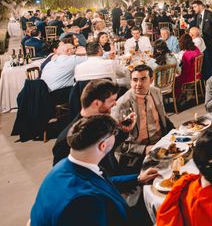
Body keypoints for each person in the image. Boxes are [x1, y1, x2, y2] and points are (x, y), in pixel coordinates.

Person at [31, 115, 159, 226]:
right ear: (102, 146)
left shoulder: (65, 165)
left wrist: (138, 179)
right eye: (114, 134)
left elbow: (103, 181)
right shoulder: (83, 201)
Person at [52, 80, 135, 175]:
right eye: (112, 100)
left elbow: (107, 148)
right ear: (96, 103)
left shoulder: (101, 121)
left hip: (114, 172)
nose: (115, 104)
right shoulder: (65, 141)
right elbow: (65, 177)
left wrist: (124, 131)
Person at [111, 65, 175, 169]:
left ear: (151, 80)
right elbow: (117, 145)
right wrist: (144, 149)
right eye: (135, 80)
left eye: (143, 79)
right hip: (136, 156)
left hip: (161, 144)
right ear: (130, 81)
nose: (138, 84)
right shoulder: (121, 105)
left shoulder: (156, 92)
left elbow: (163, 118)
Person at [174, 33, 202, 100]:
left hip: (190, 76)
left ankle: (177, 97)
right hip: (197, 74)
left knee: (174, 79)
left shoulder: (186, 54)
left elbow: (185, 70)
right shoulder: (196, 48)